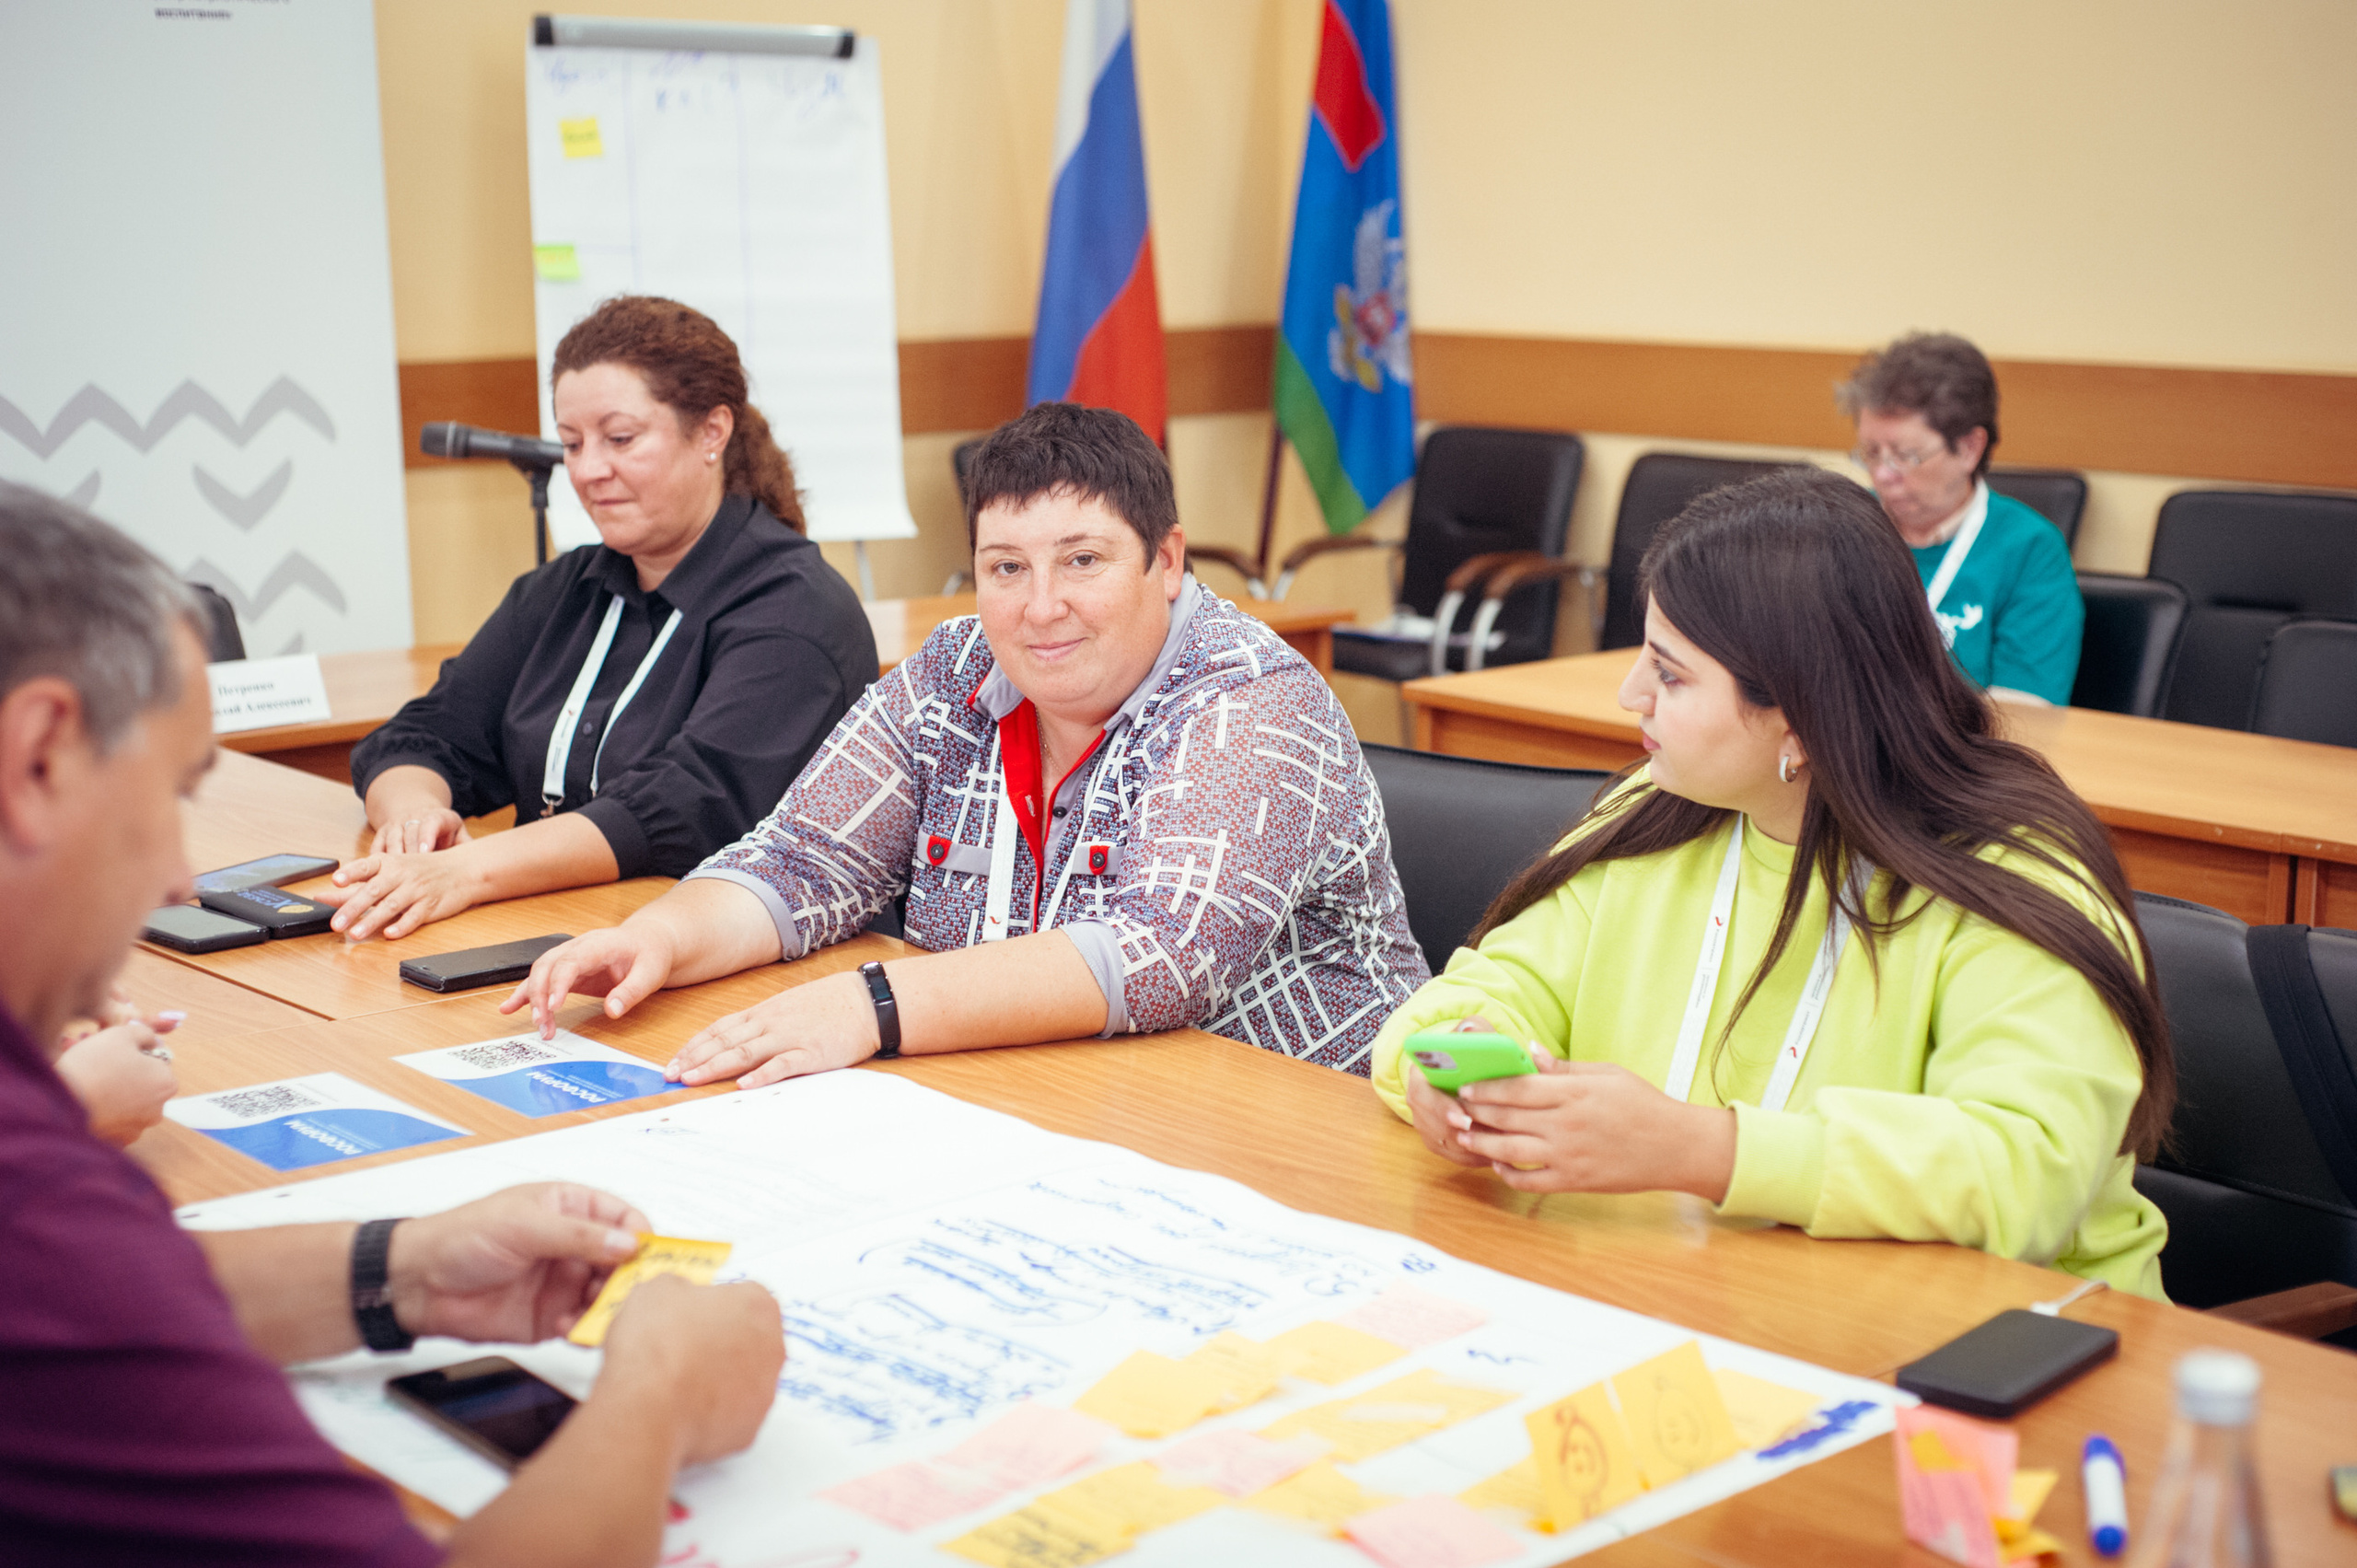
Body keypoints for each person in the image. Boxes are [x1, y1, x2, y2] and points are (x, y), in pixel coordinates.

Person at [0, 482, 784, 1565]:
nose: (180, 875)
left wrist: (403, 1267)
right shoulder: (32, 1189)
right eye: (170, 795)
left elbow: (100, 1301)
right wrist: (660, 1392)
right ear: (40, 756)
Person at [1370, 470, 2175, 1297]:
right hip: (1708, 1297)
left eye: (1670, 674)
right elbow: (1477, 996)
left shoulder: (2015, 873)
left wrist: (1703, 1150)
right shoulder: (1657, 810)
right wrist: (1448, 1070)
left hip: (2015, 1338)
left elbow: (2025, 1171)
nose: (1629, 694)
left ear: (1798, 715)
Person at [505, 401, 1428, 1082]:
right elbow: (802, 859)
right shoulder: (954, 670)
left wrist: (868, 1004)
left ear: (1168, 560)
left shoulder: (1253, 701)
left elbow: (1158, 957)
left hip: (1294, 1135)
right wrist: (658, 938)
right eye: (1006, 567)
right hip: (1036, 1091)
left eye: (1083, 560)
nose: (1040, 607)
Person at [330, 296, 877, 941]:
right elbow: (424, 734)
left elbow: (677, 808)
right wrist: (414, 821)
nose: (588, 470)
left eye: (620, 439)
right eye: (572, 443)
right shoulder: (564, 590)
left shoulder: (797, 611)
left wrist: (467, 871)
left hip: (726, 955)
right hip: (564, 929)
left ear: (711, 432)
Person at [1839, 331, 2082, 706]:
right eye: (1871, 453)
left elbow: (2026, 713)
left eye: (1906, 456)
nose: (1883, 475)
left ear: (1969, 448)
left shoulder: (2030, 549)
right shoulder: (1841, 526)